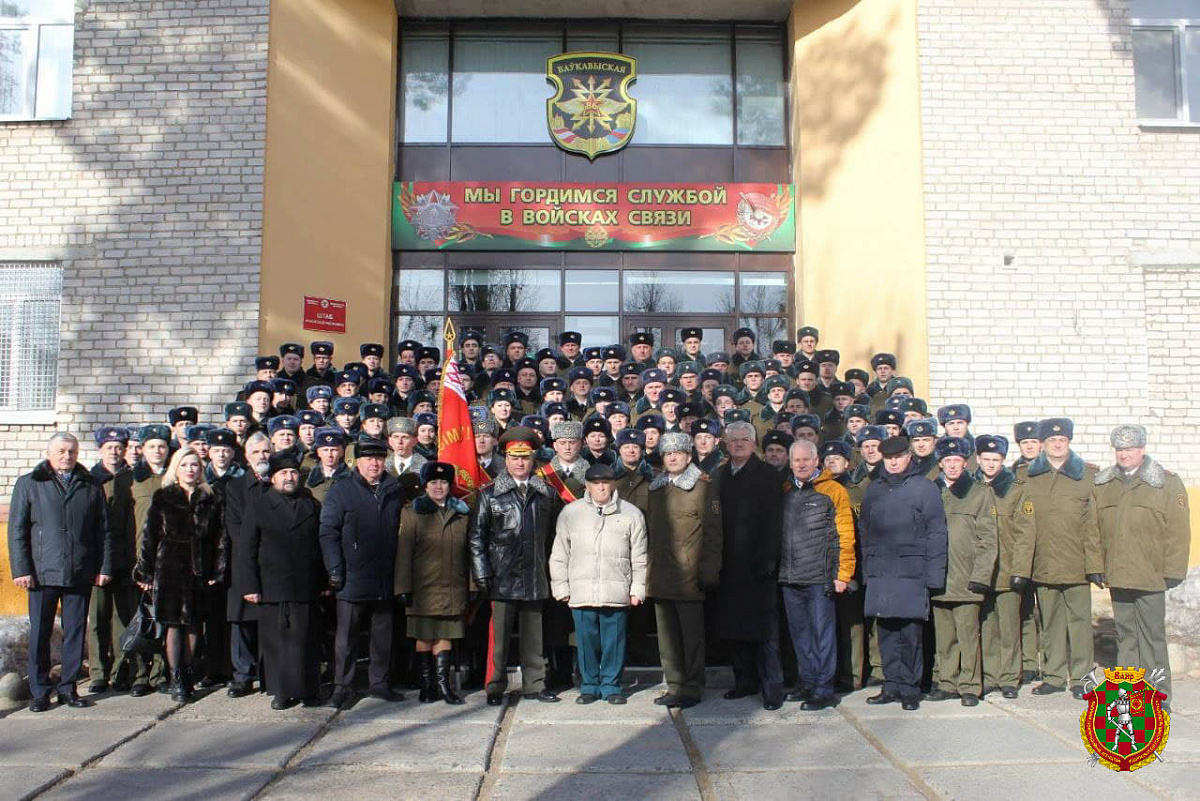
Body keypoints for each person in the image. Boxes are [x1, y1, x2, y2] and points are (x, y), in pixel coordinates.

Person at [9, 432, 113, 711]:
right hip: (41, 573)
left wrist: (103, 567)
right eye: (62, 451)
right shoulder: (29, 484)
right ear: (49, 453)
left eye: (72, 451)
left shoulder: (91, 485)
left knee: (75, 632)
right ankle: (40, 691)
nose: (68, 456)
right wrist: (21, 569)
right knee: (40, 633)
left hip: (80, 571)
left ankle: (68, 688)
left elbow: (103, 531)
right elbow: (17, 530)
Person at [1094, 424, 1191, 707]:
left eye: (1130, 449)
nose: (1124, 454)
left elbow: (1178, 532)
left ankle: (1159, 699)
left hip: (1151, 575)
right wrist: (1096, 565)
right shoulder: (1104, 484)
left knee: (1152, 640)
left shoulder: (1165, 483)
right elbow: (1093, 530)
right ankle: (1129, 696)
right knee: (1126, 638)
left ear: (1142, 449)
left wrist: (1173, 570)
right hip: (1118, 575)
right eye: (1119, 449)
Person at [469, 427, 564, 705]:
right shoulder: (489, 494)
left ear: (533, 459)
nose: (520, 463)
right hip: (501, 575)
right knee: (498, 638)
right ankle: (495, 686)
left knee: (534, 636)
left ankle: (535, 684)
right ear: (506, 459)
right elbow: (476, 537)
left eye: (525, 457)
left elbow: (554, 537)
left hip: (535, 573)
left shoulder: (547, 494)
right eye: (514, 457)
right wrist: (481, 572)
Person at [860, 436, 948, 711]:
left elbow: (936, 533)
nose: (894, 462)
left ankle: (910, 689)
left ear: (909, 457)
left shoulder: (924, 488)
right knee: (886, 632)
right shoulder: (874, 489)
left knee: (910, 635)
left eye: (898, 457)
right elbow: (865, 532)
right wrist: (867, 572)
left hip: (912, 572)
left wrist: (934, 576)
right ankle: (891, 685)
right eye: (889, 458)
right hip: (882, 572)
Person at [320, 435, 409, 707]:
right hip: (352, 576)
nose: (374, 463)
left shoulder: (394, 489)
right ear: (357, 462)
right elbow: (328, 532)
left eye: (379, 458)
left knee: (382, 635)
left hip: (384, 575)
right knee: (346, 638)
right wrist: (335, 569)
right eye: (369, 458)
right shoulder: (341, 490)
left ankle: (379, 683)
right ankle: (342, 687)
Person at [550, 463, 648, 705]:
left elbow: (640, 556)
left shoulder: (631, 514)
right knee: (586, 642)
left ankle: (611, 686)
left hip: (616, 590)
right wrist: (561, 587)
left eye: (605, 483)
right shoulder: (571, 513)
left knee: (614, 643)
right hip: (581, 590)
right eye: (596, 483)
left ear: (613, 484)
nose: (601, 488)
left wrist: (637, 589)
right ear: (587, 485)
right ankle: (589, 686)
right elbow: (560, 553)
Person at [1019, 418, 1103, 699]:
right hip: (1043, 563)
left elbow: (1094, 525)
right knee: (1050, 623)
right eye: (1052, 440)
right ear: (1042, 443)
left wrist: (1094, 565)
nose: (1057, 444)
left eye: (1062, 440)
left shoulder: (1088, 476)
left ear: (1069, 442)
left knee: (1079, 624)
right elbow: (1022, 524)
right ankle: (1054, 676)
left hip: (1077, 564)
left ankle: (1082, 679)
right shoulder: (1027, 476)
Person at [134, 447, 224, 702]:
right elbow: (150, 536)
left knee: (194, 625)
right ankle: (176, 678)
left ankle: (188, 673)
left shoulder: (211, 497)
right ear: (176, 468)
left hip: (199, 570)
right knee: (173, 625)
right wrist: (145, 572)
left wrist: (217, 569)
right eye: (184, 465)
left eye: (194, 465)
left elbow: (220, 538)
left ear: (201, 469)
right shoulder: (164, 496)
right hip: (170, 569)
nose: (190, 470)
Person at [240, 451, 326, 709]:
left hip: (305, 583)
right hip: (272, 585)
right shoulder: (259, 505)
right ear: (272, 478)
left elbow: (320, 545)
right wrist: (250, 586)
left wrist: (324, 581)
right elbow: (247, 549)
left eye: (293, 473)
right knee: (278, 641)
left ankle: (309, 690)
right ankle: (282, 691)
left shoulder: (311, 504)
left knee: (306, 639)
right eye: (283, 473)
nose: (289, 478)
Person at [646, 432, 722, 709]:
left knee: (691, 638)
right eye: (668, 454)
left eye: (678, 453)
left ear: (689, 457)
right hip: (660, 575)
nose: (673, 458)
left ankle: (691, 687)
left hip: (689, 577)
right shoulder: (656, 489)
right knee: (668, 640)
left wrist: (709, 572)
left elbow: (713, 535)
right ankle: (675, 685)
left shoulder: (703, 487)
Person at [712, 421, 785, 710]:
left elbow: (774, 521)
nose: (739, 444)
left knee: (765, 633)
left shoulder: (767, 475)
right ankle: (744, 682)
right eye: (734, 440)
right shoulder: (720, 475)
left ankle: (771, 689)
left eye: (744, 439)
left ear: (754, 444)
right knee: (734, 629)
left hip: (759, 565)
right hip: (728, 564)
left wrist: (769, 559)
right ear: (726, 444)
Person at [779, 440, 856, 710]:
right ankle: (808, 682)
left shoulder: (833, 490)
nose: (801, 464)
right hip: (790, 577)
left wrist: (843, 574)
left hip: (819, 578)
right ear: (790, 463)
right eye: (796, 460)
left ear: (816, 461)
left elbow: (845, 534)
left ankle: (824, 689)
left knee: (822, 636)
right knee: (800, 635)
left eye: (806, 459)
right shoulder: (786, 490)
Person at [395, 462, 473, 706]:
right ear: (425, 486)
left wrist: (472, 586)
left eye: (443, 482)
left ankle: (443, 685)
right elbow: (404, 554)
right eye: (433, 482)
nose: (438, 487)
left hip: (452, 585)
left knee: (445, 634)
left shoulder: (462, 514)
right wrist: (402, 588)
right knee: (424, 635)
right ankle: (426, 684)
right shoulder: (412, 513)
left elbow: (470, 552)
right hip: (423, 588)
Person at [927, 437, 997, 707]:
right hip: (939, 577)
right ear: (940, 464)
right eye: (948, 461)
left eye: (957, 460)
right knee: (945, 637)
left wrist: (981, 576)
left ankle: (970, 685)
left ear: (966, 463)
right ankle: (947, 682)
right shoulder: (931, 491)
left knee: (968, 637)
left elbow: (988, 539)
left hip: (967, 578)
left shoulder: (979, 493)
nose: (953, 465)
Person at [974, 434, 1035, 699]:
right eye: (986, 459)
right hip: (981, 571)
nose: (990, 464)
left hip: (1008, 569)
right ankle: (990, 675)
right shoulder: (971, 488)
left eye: (996, 459)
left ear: (1003, 461)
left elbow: (1025, 534)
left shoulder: (1017, 489)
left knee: (1010, 627)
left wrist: (1020, 571)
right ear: (978, 459)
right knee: (987, 626)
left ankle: (1010, 677)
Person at [87, 426, 138, 693]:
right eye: (109, 447)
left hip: (126, 558)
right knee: (98, 618)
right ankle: (98, 673)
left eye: (119, 447)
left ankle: (121, 671)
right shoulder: (90, 479)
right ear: (100, 450)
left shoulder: (133, 478)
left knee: (122, 618)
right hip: (98, 559)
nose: (115, 452)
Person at [222, 432, 273, 697]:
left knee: (269, 621)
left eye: (266, 451)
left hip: (274, 563)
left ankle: (268, 674)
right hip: (244, 560)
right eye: (256, 452)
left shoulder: (278, 482)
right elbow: (236, 530)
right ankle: (242, 675)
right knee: (241, 621)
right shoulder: (236, 487)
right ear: (246, 456)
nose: (262, 457)